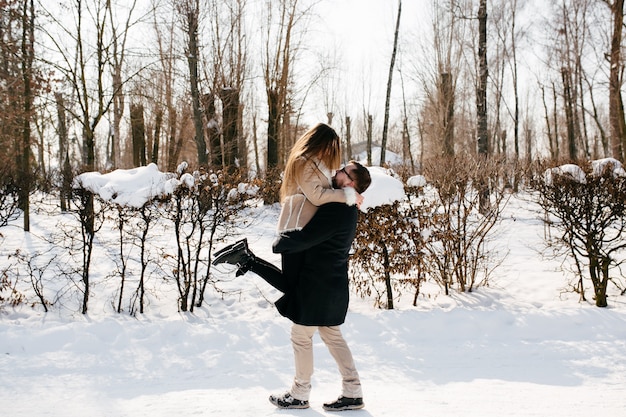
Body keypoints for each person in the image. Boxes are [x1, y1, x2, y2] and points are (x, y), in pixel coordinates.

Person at [212, 161, 372, 411]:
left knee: (301, 335)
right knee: (331, 334)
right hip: (327, 282)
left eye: (344, 171)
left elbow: (310, 236)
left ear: (350, 183)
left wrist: (281, 242)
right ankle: (352, 391)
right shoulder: (346, 206)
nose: (338, 170)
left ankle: (300, 393)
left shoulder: (340, 209)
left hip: (319, 283)